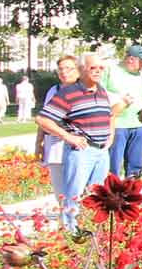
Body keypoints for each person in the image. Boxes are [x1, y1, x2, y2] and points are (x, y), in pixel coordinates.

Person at [35, 55, 112, 232]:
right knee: (73, 197)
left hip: (101, 151)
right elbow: (43, 120)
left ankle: (91, 233)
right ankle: (71, 234)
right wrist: (68, 137)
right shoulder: (69, 93)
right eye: (93, 68)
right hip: (81, 152)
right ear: (82, 69)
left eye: (101, 68)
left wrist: (110, 135)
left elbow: (110, 115)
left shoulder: (100, 90)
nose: (98, 71)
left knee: (96, 195)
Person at [102, 47, 142, 178]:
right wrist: (119, 99)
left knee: (135, 166)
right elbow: (100, 94)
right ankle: (111, 193)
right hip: (117, 125)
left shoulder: (141, 75)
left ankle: (132, 192)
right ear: (131, 59)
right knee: (113, 164)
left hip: (138, 125)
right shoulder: (110, 71)